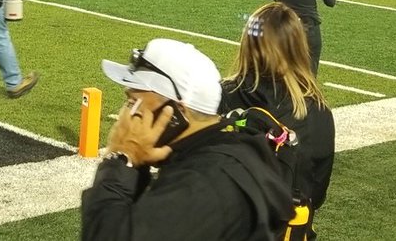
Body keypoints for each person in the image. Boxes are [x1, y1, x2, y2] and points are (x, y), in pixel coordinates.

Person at [81, 38, 295, 241]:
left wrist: (121, 159)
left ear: (175, 113)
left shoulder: (205, 182)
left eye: (133, 102)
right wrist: (139, 163)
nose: (126, 114)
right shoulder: (220, 148)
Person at [220, 3, 334, 240]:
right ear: (299, 48)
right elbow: (316, 193)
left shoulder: (221, 97)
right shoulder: (318, 110)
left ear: (247, 45)